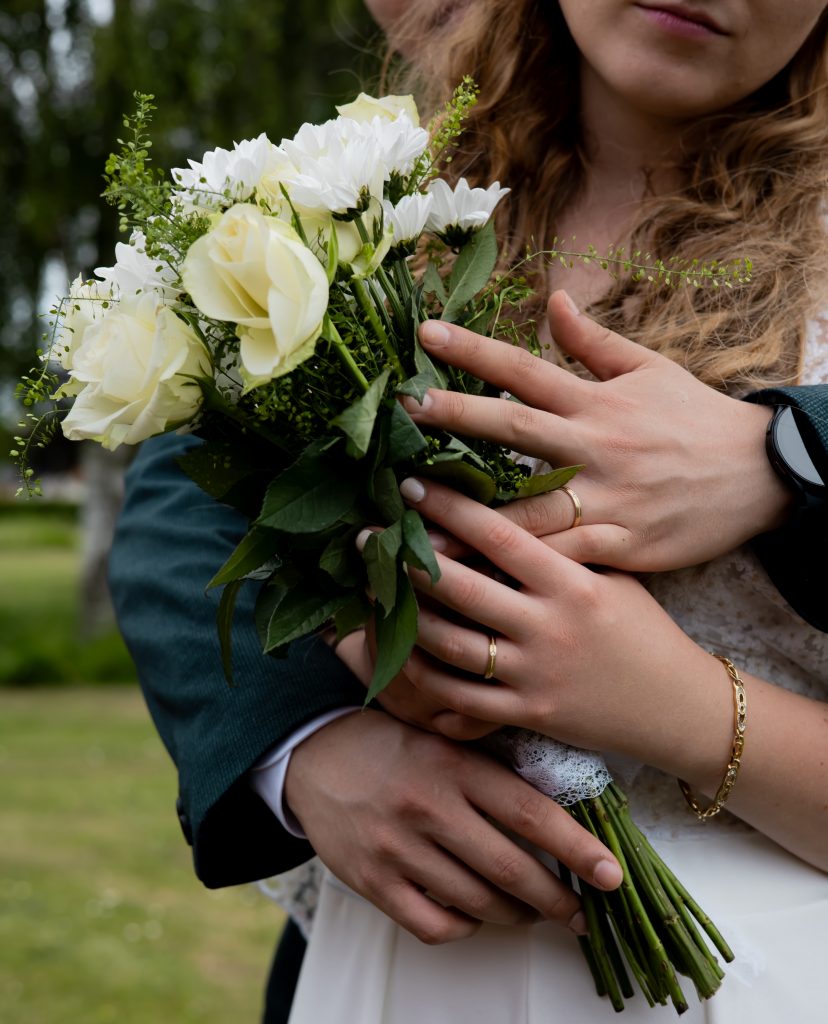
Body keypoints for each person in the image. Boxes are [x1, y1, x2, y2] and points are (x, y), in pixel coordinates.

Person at [108, 0, 828, 1021]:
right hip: (399, 967)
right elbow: (187, 490)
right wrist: (309, 749)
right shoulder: (379, 199)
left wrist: (686, 692)